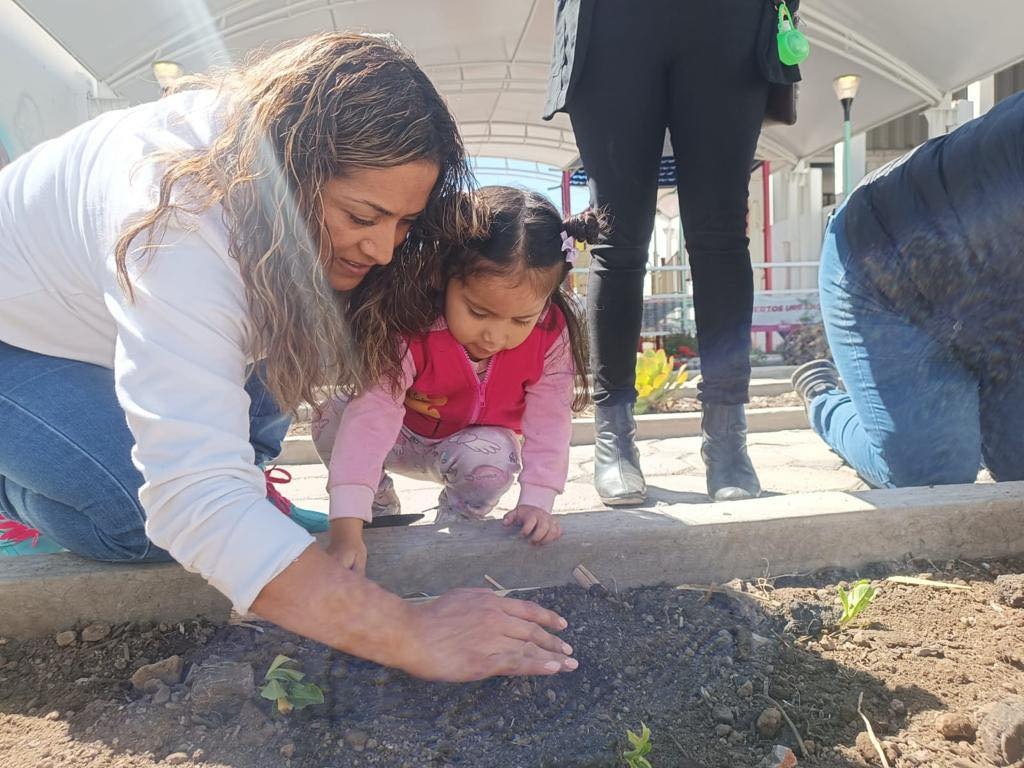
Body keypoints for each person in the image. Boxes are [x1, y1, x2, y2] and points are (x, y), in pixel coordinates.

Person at [0, 33, 577, 681]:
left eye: (404, 224)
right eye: (363, 216)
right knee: (138, 518)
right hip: (15, 343)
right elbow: (193, 497)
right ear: (291, 167)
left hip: (107, 327)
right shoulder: (175, 216)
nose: (384, 250)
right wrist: (409, 630)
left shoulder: (271, 203)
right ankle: (14, 491)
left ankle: (220, 482)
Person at [543, 0, 796, 504]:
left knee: (723, 237)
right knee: (616, 239)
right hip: (613, 17)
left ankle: (727, 440)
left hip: (728, 18)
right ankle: (614, 440)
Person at [312, 187, 596, 572]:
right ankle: (376, 509)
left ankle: (457, 520)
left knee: (494, 455)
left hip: (469, 451)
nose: (495, 336)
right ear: (443, 275)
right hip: (399, 438)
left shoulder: (550, 334)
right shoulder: (411, 323)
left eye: (521, 320)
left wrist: (537, 502)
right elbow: (372, 415)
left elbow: (550, 422)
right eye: (478, 312)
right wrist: (346, 527)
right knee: (332, 416)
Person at [792, 91, 1024, 489]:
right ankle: (823, 400)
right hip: (883, 276)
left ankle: (972, 418)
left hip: (997, 310)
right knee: (934, 477)